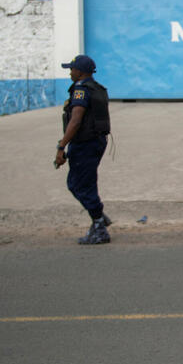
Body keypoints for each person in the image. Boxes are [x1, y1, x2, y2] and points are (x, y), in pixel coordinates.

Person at [55, 55, 112, 245]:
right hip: (96, 141)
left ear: (80, 72)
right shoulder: (97, 88)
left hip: (85, 143)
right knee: (82, 182)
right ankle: (99, 216)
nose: (70, 72)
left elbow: (76, 120)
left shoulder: (81, 90)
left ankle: (99, 225)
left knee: (80, 184)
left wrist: (62, 146)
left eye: (72, 69)